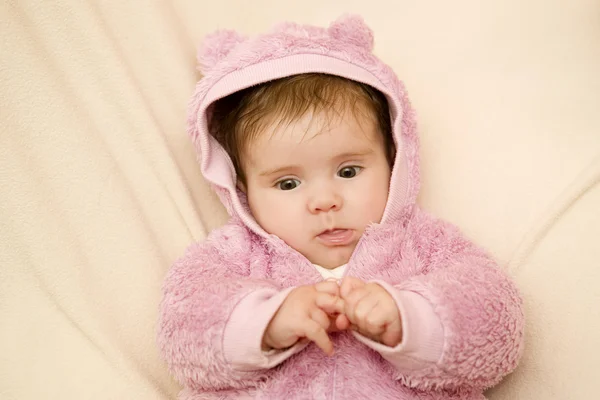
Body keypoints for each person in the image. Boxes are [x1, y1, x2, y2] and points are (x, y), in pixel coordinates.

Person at [158, 14, 524, 399]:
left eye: (348, 171)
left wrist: (409, 319)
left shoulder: (428, 246)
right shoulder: (230, 258)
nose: (325, 201)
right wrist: (265, 322)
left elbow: (496, 324)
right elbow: (182, 330)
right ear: (242, 188)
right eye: (288, 183)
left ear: (395, 160)